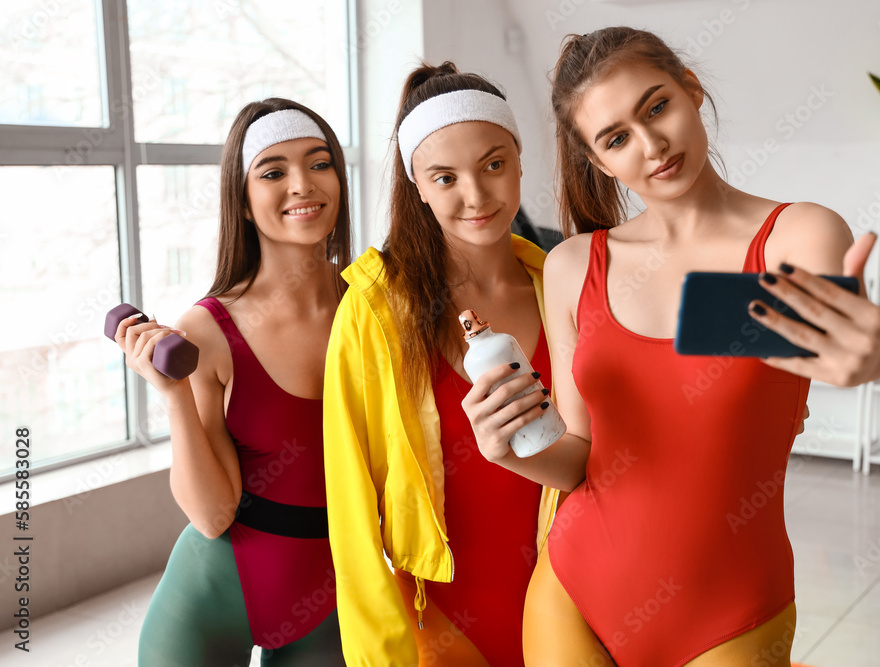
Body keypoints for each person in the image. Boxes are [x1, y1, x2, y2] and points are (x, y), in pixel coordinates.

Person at [463, 27, 880, 666]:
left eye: (657, 106)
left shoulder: (794, 235)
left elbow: (844, 341)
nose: (652, 145)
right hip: (574, 592)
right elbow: (579, 459)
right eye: (616, 139)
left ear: (691, 92)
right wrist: (508, 450)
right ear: (598, 160)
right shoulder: (576, 266)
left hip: (732, 611)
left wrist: (869, 356)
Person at [322, 62, 561, 666]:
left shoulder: (559, 284)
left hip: (568, 599)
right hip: (441, 617)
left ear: (519, 159)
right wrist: (384, 653)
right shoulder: (376, 308)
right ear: (417, 186)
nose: (476, 196)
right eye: (445, 177)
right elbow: (350, 504)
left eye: (493, 165)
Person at [115, 98, 351, 666]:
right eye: (272, 172)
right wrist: (175, 396)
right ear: (243, 202)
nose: (302, 184)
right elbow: (212, 515)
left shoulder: (369, 306)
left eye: (319, 164)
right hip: (210, 599)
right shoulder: (208, 330)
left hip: (329, 595)